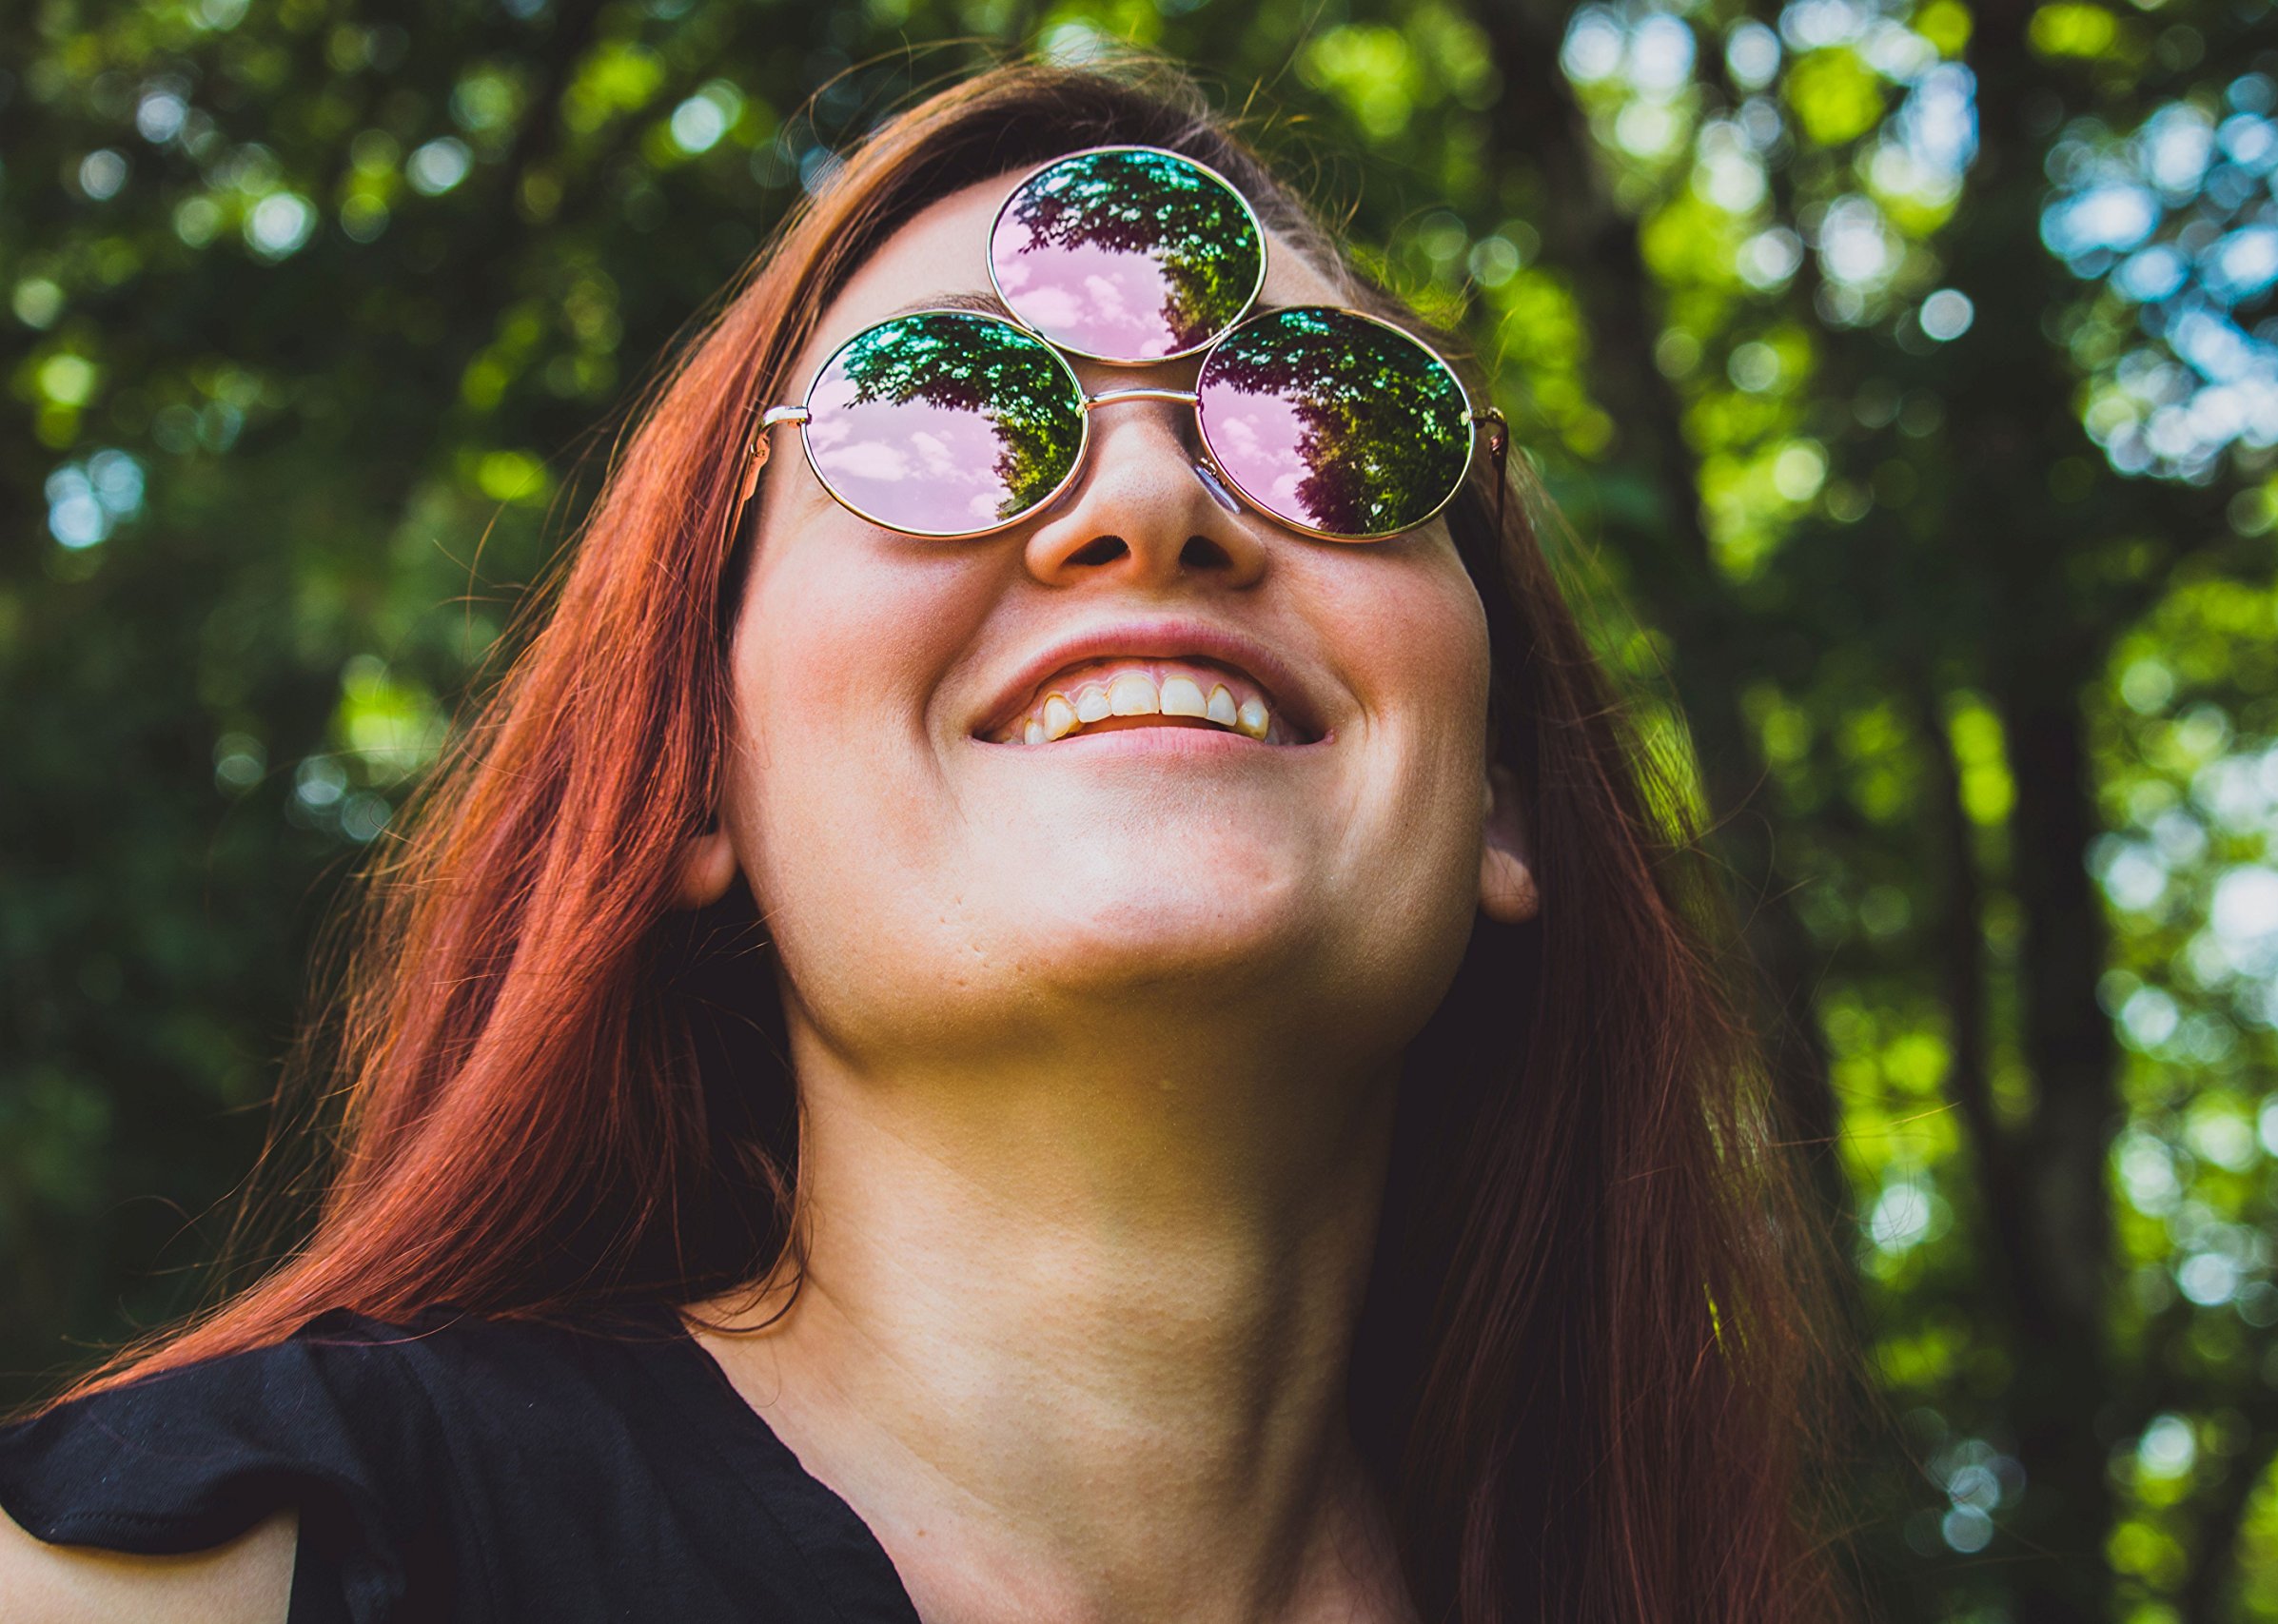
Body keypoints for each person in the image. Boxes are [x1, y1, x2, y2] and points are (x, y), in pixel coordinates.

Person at [0, 50, 1848, 1624]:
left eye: (1312, 416)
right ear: (698, 775)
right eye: (941, 411)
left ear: (1500, 795)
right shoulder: (245, 1558)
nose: (1141, 495)